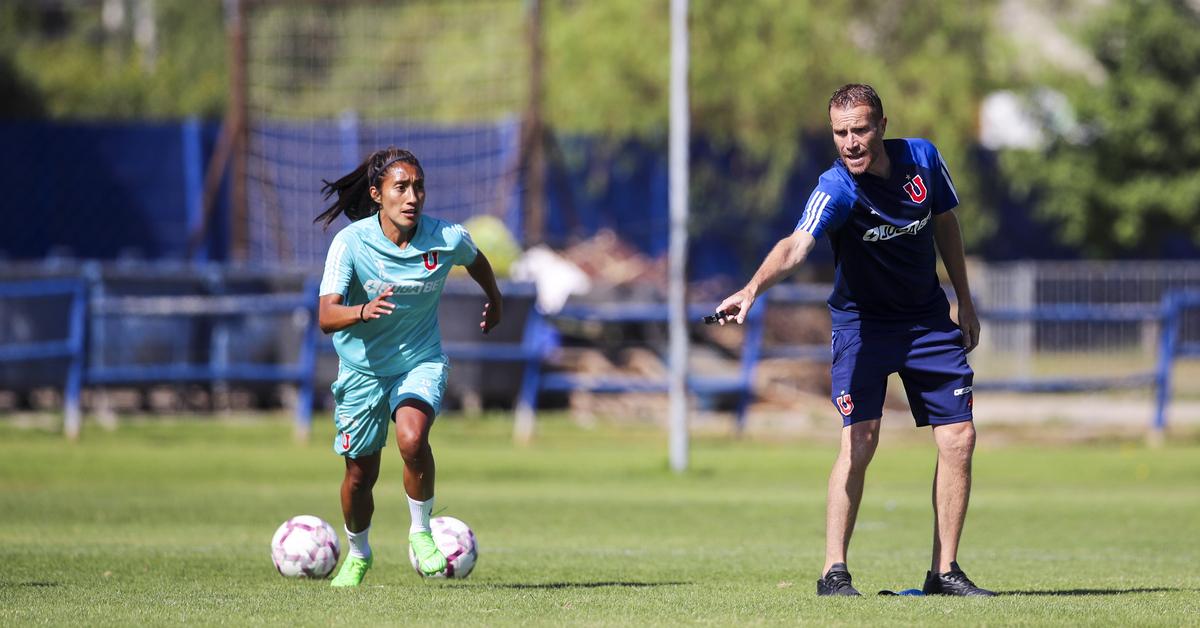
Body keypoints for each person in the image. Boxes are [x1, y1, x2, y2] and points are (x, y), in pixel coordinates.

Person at [715, 84, 994, 597]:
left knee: (960, 437)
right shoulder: (836, 187)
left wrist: (965, 300)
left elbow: (946, 224)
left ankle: (945, 572)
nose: (851, 142)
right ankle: (833, 572)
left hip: (927, 321)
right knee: (860, 438)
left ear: (882, 125)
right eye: (840, 133)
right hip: (862, 326)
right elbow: (796, 245)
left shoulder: (923, 159)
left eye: (860, 129)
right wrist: (752, 289)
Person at [314, 147, 503, 587]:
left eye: (419, 187)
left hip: (420, 360)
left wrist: (495, 300)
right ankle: (358, 553)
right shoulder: (351, 243)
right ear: (377, 194)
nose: (412, 197)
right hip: (362, 370)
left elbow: (476, 260)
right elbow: (326, 315)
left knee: (412, 439)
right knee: (359, 476)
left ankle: (420, 532)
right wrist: (362, 311)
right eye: (401, 187)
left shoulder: (446, 237)